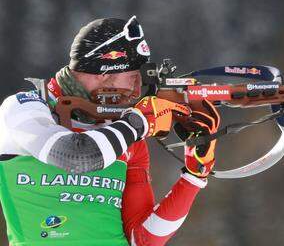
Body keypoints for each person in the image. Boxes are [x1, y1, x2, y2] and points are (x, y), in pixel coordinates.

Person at [0, 16, 220, 245]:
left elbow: (144, 239)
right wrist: (137, 123)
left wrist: (195, 176)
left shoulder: (124, 134)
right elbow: (75, 156)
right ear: (105, 72)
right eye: (134, 78)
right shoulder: (24, 108)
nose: (137, 91)